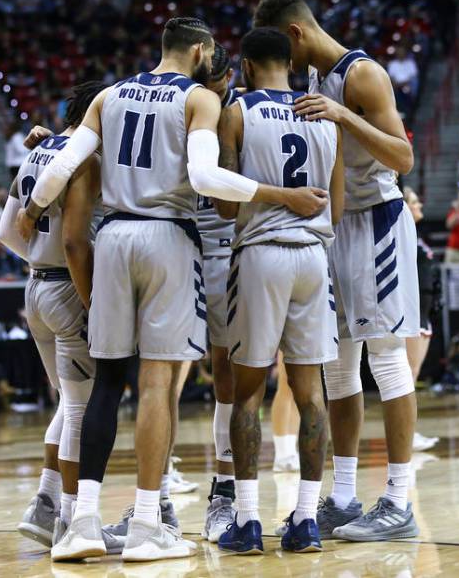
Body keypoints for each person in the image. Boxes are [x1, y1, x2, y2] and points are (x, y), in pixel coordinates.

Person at [16, 17, 326, 562]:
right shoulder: (200, 99)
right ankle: (146, 525)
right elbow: (206, 179)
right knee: (158, 383)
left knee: (108, 380)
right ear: (201, 51)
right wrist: (284, 196)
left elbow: (64, 163)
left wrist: (32, 209)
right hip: (167, 237)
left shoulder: (109, 94)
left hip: (112, 237)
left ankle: (81, 523)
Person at [254, 0, 421, 542]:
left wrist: (344, 115)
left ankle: (399, 501)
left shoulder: (363, 75)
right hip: (336, 228)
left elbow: (403, 157)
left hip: (377, 222)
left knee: (387, 360)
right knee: (338, 368)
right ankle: (344, 497)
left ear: (296, 34)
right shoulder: (306, 81)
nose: (284, 62)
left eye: (285, 49)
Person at [214, 27, 343, 555]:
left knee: (248, 393)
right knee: (311, 394)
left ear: (245, 66)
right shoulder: (324, 114)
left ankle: (246, 521)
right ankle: (307, 520)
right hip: (314, 257)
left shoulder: (238, 111)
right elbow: (334, 202)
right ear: (291, 63)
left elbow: (224, 203)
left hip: (262, 256)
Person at [0, 81, 107, 557]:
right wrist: (87, 298)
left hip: (35, 287)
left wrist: (38, 262)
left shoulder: (35, 153)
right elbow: (72, 241)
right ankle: (68, 517)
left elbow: (6, 233)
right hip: (66, 286)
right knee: (80, 407)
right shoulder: (82, 159)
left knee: (68, 401)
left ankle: (42, 504)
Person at [193, 43, 241, 543]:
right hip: (182, 247)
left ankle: (226, 489)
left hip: (226, 251)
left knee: (229, 374)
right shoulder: (180, 107)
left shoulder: (240, 112)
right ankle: (157, 500)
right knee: (163, 376)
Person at [402, 188, 439, 452]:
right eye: (414, 202)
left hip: (424, 313)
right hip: (411, 314)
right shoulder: (401, 234)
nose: (419, 205)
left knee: (413, 375)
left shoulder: (417, 235)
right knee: (407, 375)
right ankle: (406, 434)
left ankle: (410, 433)